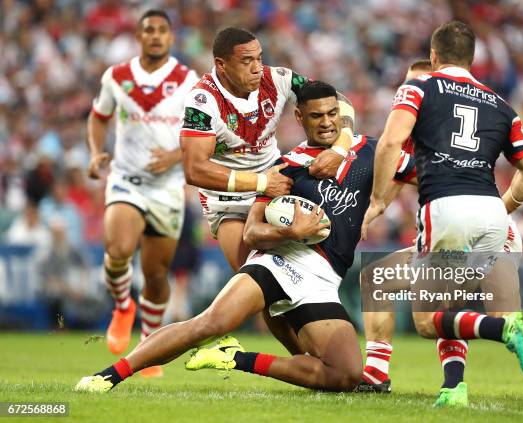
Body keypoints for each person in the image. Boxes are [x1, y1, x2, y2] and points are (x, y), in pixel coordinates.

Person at [74, 81, 405, 393]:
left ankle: (234, 358)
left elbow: (421, 171)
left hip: (324, 278)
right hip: (277, 262)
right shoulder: (285, 167)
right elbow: (252, 231)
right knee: (209, 324)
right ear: (299, 117)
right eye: (316, 116)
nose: (327, 123)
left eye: (332, 114)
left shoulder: (371, 152)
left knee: (345, 375)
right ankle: (110, 375)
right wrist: (291, 231)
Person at [361, 21, 523, 402]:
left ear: (434, 59)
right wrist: (502, 210)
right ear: (472, 59)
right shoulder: (499, 103)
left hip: (450, 214)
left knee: (418, 312)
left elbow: (389, 145)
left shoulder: (420, 90)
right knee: (487, 310)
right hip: (494, 218)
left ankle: (376, 376)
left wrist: (376, 201)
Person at [179, 26, 355, 352]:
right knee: (260, 280)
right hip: (228, 202)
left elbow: (337, 100)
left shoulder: (279, 79)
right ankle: (303, 359)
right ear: (221, 64)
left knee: (303, 270)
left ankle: (325, 351)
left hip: (278, 191)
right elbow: (195, 169)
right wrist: (261, 182)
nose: (258, 68)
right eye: (247, 61)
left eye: (259, 58)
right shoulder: (202, 101)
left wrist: (341, 147)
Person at [86, 9, 200, 377]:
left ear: (171, 37)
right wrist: (94, 150)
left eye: (162, 30)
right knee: (118, 249)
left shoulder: (187, 80)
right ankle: (122, 306)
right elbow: (98, 116)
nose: (155, 36)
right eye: (148, 30)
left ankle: (149, 343)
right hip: (126, 179)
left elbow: (201, 132)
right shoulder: (117, 77)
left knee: (155, 274)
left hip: (167, 187)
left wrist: (173, 155)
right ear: (139, 35)